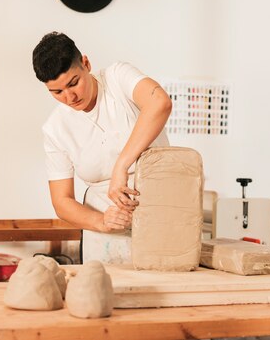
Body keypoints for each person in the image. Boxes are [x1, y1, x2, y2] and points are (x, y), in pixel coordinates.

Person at [33, 32, 172, 264]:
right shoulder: (55, 129)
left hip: (162, 212)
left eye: (73, 83)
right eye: (57, 92)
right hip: (106, 235)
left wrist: (122, 165)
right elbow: (62, 201)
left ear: (86, 64)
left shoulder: (117, 77)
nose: (69, 97)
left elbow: (160, 102)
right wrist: (102, 221)